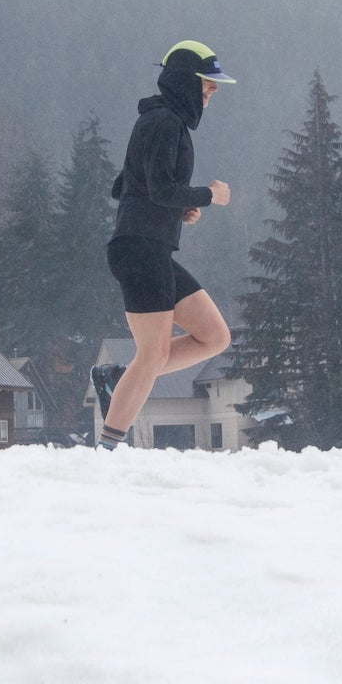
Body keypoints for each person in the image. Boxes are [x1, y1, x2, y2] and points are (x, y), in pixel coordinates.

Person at [91, 40, 236, 449]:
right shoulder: (163, 122)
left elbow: (129, 186)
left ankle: (121, 378)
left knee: (214, 337)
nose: (213, 93)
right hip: (139, 249)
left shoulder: (165, 121)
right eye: (208, 85)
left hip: (151, 247)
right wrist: (207, 195)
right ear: (185, 83)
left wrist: (179, 209)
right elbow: (158, 188)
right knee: (152, 356)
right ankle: (108, 449)